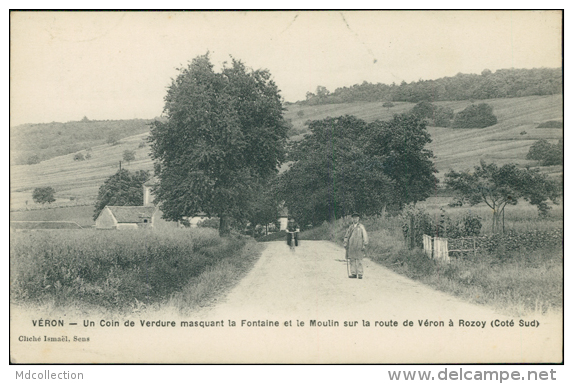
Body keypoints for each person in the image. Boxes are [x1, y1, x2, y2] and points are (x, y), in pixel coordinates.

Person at [343, 212, 369, 279]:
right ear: (352, 219)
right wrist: (345, 243)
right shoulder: (350, 227)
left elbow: (365, 236)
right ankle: (353, 273)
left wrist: (364, 244)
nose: (355, 219)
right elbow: (346, 236)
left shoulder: (361, 227)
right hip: (351, 246)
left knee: (359, 259)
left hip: (359, 245)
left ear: (358, 219)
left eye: (356, 218)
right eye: (354, 218)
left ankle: (360, 274)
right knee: (352, 259)